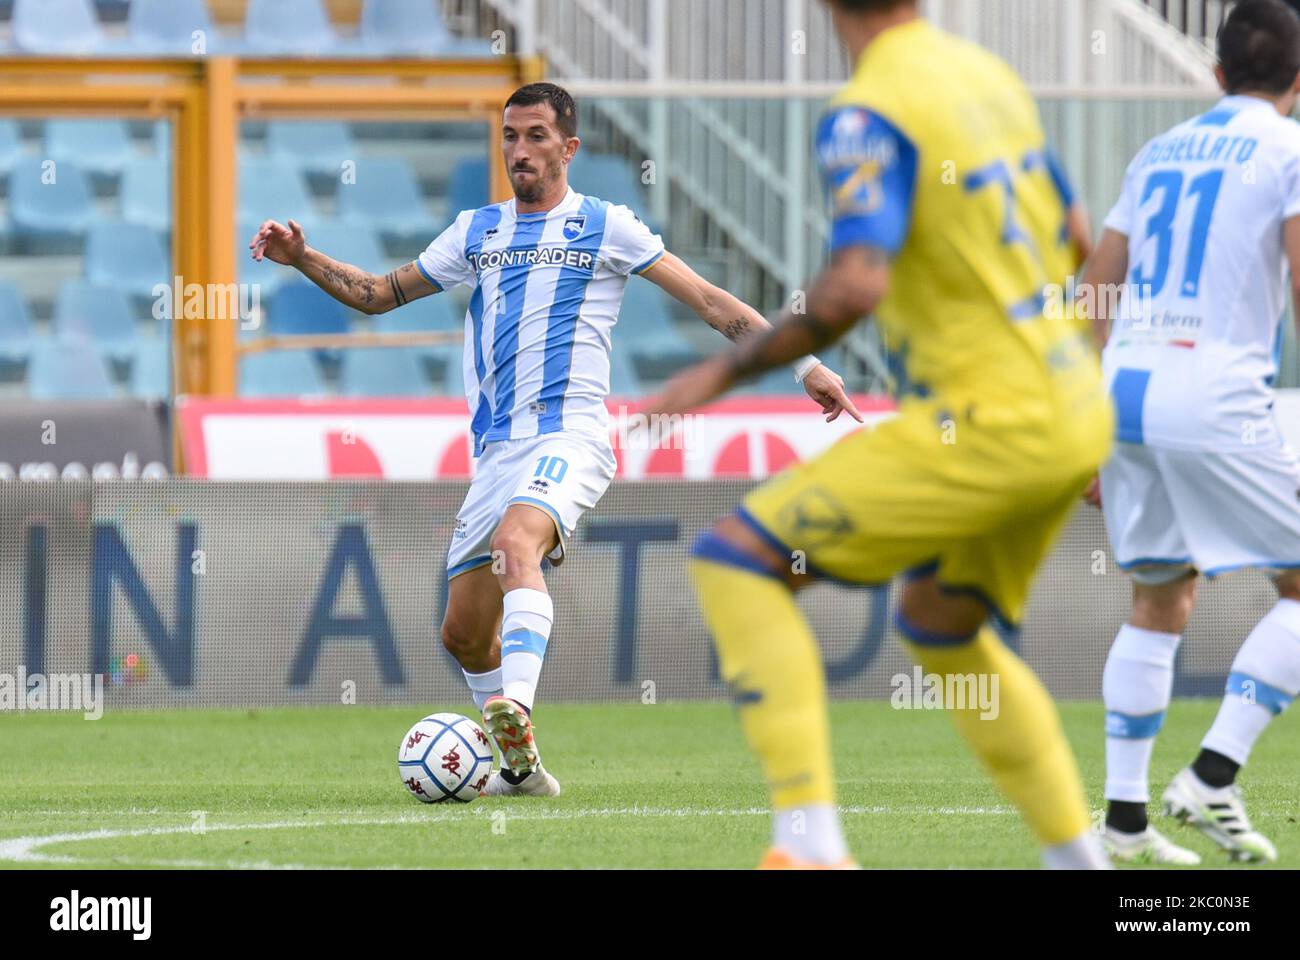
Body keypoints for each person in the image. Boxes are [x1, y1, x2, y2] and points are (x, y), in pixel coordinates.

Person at [249, 82, 860, 797]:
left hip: (570, 435)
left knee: (517, 549)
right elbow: (378, 294)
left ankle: (518, 710)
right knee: (463, 634)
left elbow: (713, 303)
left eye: (536, 136)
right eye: (510, 136)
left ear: (568, 148)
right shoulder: (477, 231)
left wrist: (808, 365)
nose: (520, 150)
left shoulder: (606, 225)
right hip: (496, 452)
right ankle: (520, 770)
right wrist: (302, 257)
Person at [643, 0, 1111, 868]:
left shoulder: (867, 110)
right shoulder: (988, 78)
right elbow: (1081, 237)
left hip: (981, 423)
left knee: (736, 561)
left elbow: (853, 286)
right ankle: (1081, 861)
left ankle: (811, 844)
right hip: (1073, 413)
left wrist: (715, 375)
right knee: (940, 621)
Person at [1080, 0, 1300, 865]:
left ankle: (1125, 824)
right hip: (1210, 390)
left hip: (1125, 388)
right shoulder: (1289, 151)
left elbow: (1093, 287)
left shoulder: (1158, 151)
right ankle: (1211, 773)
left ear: (1215, 73)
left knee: (1161, 595)